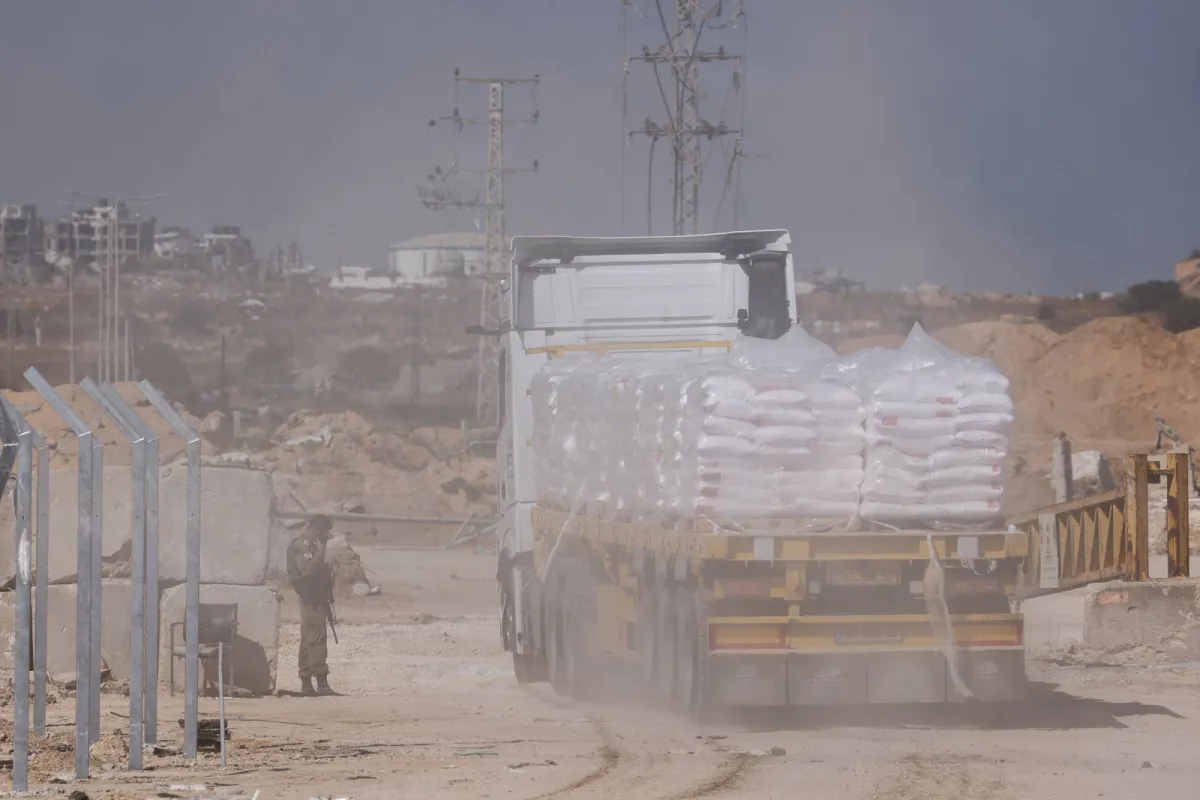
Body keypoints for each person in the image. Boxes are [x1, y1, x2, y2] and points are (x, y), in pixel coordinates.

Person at [286, 514, 336, 696]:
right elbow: (307, 570)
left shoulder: (310, 545)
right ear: (317, 529)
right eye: (324, 532)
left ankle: (306, 682)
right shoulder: (302, 546)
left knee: (309, 637)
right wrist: (321, 553)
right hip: (310, 597)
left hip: (317, 596)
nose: (325, 536)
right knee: (316, 635)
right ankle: (322, 683)